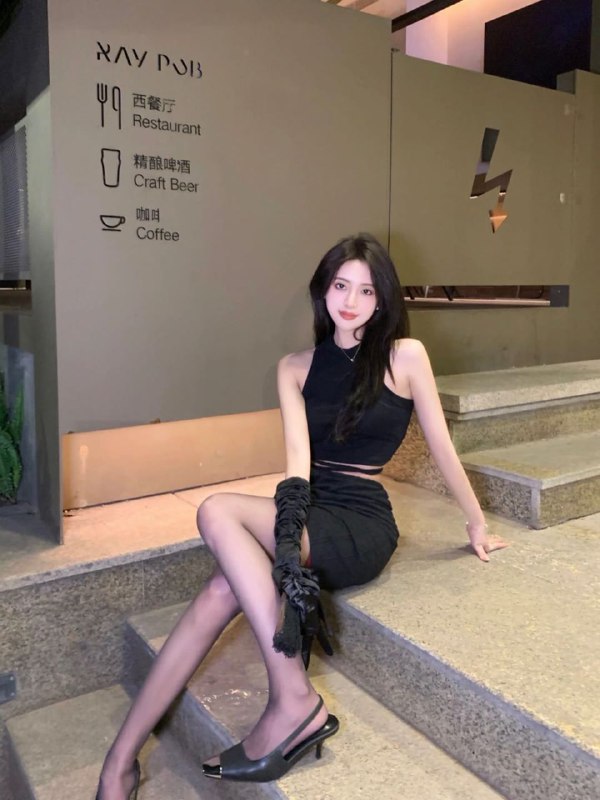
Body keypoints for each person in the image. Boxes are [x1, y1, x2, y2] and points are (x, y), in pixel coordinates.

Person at [95, 233, 508, 799]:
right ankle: (119, 760)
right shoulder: (294, 367)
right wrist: (286, 541)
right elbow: (297, 465)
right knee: (221, 588)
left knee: (215, 510)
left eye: (366, 290)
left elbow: (441, 446)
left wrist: (475, 520)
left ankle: (292, 700)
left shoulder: (405, 356)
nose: (351, 301)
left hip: (360, 520)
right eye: (341, 285)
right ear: (323, 290)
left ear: (383, 300)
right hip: (311, 503)